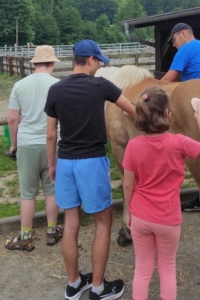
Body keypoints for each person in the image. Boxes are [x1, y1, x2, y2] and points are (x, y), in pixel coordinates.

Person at [45, 39, 136, 300]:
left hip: (65, 162)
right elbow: (131, 110)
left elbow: (51, 135)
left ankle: (74, 284)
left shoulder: (56, 90)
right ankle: (98, 288)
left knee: (71, 223)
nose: (99, 67)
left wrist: (53, 163)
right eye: (99, 62)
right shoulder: (101, 86)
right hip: (92, 162)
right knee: (102, 223)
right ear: (92, 60)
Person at [122, 87, 200, 300]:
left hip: (139, 216)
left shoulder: (133, 145)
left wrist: (129, 212)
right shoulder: (178, 142)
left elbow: (128, 185)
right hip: (167, 218)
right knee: (167, 268)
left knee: (143, 269)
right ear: (167, 114)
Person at [160, 22, 200, 235]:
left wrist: (148, 94)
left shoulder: (187, 48)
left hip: (199, 103)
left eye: (174, 40)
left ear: (183, 34)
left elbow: (168, 79)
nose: (175, 46)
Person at [4, 45, 63, 252]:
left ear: (34, 63)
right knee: (51, 190)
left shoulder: (19, 85)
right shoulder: (58, 85)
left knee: (28, 194)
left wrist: (14, 144)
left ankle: (26, 236)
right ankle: (52, 231)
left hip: (27, 143)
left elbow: (13, 119)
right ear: (52, 63)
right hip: (53, 142)